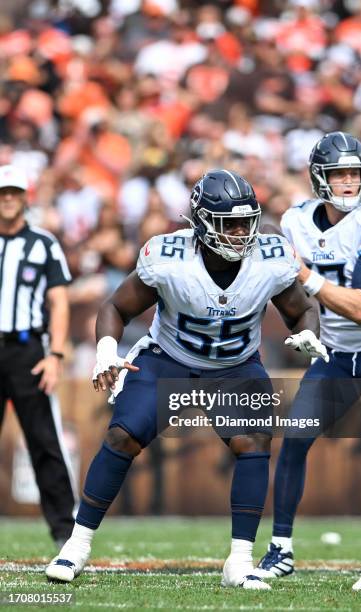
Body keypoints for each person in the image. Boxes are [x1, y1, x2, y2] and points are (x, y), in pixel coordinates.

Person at [45, 169, 326, 589]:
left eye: (245, 221)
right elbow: (115, 307)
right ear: (201, 223)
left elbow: (302, 309)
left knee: (254, 443)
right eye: (228, 222)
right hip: (168, 359)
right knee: (123, 436)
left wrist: (307, 332)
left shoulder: (269, 257)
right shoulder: (168, 257)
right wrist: (107, 350)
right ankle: (77, 544)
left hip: (234, 368)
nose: (239, 231)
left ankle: (239, 560)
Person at [255, 132, 361, 596]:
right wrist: (297, 325)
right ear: (318, 177)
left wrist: (305, 275)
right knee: (295, 440)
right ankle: (280, 549)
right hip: (336, 356)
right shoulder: (296, 220)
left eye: (356, 173)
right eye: (340, 173)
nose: (349, 181)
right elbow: (287, 289)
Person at [0, 164, 76, 547]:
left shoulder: (43, 243)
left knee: (44, 440)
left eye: (14, 191)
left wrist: (56, 354)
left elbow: (58, 302)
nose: (8, 198)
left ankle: (65, 532)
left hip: (26, 348)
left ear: (25, 196)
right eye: (2, 192)